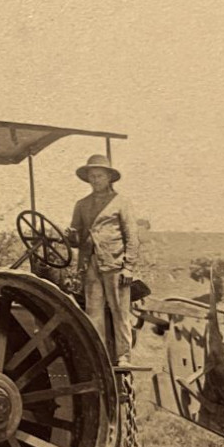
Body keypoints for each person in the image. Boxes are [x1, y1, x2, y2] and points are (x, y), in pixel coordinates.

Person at [65, 154, 139, 365]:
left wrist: (128, 267)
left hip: (115, 264)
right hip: (90, 265)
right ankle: (100, 357)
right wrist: (72, 236)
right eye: (92, 176)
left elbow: (132, 236)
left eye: (99, 175)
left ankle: (123, 356)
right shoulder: (81, 205)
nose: (95, 180)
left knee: (119, 311)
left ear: (109, 177)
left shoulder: (121, 203)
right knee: (93, 313)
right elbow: (77, 239)